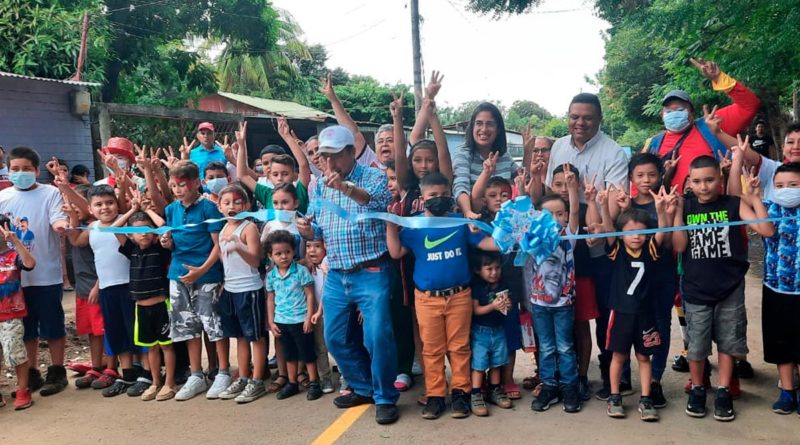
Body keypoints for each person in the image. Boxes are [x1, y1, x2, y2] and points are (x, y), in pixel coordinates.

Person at [297, 125, 399, 425]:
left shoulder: (374, 176)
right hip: (337, 274)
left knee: (378, 336)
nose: (328, 164)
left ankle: (384, 397)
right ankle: (364, 387)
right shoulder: (319, 185)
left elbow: (378, 203)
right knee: (334, 337)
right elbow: (319, 226)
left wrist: (345, 187)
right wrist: (308, 230)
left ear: (351, 152)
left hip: (371, 270)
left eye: (334, 156)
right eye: (324, 157)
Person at [386, 172, 499, 419]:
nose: (439, 199)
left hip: (459, 296)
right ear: (422, 197)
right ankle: (435, 396)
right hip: (427, 299)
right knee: (432, 349)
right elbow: (396, 253)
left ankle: (460, 393)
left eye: (444, 195)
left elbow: (488, 244)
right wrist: (390, 226)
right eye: (433, 195)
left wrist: (511, 234)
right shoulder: (414, 225)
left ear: (450, 197)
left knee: (459, 347)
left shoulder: (460, 221)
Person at [673, 155, 775, 422]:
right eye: (697, 181)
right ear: (689, 183)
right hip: (695, 289)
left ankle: (722, 391)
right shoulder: (685, 206)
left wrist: (753, 198)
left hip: (730, 288)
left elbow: (766, 230)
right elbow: (680, 247)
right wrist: (673, 213)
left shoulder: (733, 203)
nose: (704, 186)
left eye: (710, 180)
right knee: (696, 346)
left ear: (721, 179)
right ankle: (697, 388)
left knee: (728, 343)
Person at [545, 92, 630, 400]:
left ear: (599, 120)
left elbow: (615, 201)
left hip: (599, 243)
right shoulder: (558, 146)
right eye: (574, 117)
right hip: (565, 247)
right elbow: (550, 193)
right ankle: (570, 375)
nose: (579, 123)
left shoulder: (613, 152)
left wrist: (598, 226)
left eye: (587, 117)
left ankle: (614, 376)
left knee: (606, 312)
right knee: (569, 312)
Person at [596, 186, 679, 421]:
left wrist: (662, 210)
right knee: (618, 356)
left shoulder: (651, 249)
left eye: (641, 232)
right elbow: (609, 229)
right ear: (622, 234)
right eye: (630, 232)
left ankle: (646, 398)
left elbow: (662, 231)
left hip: (645, 314)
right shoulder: (617, 249)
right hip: (621, 313)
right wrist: (603, 205)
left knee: (644, 357)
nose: (635, 236)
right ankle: (614, 397)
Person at [0, 146, 70, 396]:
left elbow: (58, 220)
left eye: (26, 169)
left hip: (46, 274)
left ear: (37, 171)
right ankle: (32, 372)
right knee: (25, 329)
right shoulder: (2, 197)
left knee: (53, 325)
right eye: (15, 169)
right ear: (8, 170)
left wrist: (62, 226)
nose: (20, 173)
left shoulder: (50, 194)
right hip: (13, 279)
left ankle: (57, 371)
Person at [160, 160, 228, 401]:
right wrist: (167, 243)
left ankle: (222, 371)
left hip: (207, 275)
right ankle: (196, 374)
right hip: (178, 274)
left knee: (213, 324)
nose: (178, 190)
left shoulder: (209, 208)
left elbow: (218, 244)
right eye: (174, 185)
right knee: (186, 326)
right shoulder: (171, 210)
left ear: (196, 183)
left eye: (182, 185)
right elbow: (172, 240)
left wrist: (202, 270)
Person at [643, 59, 759, 192]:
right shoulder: (652, 144)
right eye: (669, 111)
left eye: (680, 109)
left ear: (691, 112)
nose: (674, 114)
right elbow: (638, 184)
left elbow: (750, 105)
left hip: (718, 209)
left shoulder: (711, 125)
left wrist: (719, 78)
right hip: (672, 209)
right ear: (662, 115)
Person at [66, 185, 138, 397]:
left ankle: (146, 372)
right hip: (107, 289)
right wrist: (72, 217)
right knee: (116, 331)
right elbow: (76, 241)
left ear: (117, 204)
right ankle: (127, 374)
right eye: (98, 204)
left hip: (131, 285)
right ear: (91, 208)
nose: (105, 208)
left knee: (134, 330)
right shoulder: (92, 228)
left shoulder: (126, 221)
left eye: (109, 202)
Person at [528, 163, 581, 414]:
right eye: (550, 215)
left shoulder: (568, 236)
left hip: (563, 305)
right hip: (539, 305)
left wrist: (571, 190)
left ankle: (570, 387)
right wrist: (527, 186)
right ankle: (548, 386)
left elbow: (574, 215)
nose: (557, 219)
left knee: (565, 347)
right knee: (546, 347)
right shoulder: (533, 238)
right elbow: (523, 216)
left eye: (560, 213)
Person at [111, 200, 176, 401]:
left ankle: (169, 383)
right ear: (131, 234)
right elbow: (113, 228)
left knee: (167, 346)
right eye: (138, 230)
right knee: (152, 348)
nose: (144, 233)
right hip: (141, 308)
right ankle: (155, 382)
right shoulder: (131, 249)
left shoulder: (161, 249)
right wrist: (132, 209)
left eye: (148, 229)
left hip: (161, 306)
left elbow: (164, 227)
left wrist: (147, 209)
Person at [214, 184, 269, 404]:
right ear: (219, 207)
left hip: (249, 289)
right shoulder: (221, 230)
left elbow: (256, 260)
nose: (232, 206)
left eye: (237, 202)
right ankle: (244, 376)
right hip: (230, 289)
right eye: (227, 202)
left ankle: (257, 380)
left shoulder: (249, 228)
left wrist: (239, 246)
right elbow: (223, 259)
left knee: (254, 336)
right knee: (239, 336)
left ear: (246, 205)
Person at [754, 162, 800, 415]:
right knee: (781, 344)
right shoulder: (769, 209)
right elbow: (745, 207)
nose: (786, 190)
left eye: (793, 185)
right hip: (776, 289)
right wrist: (753, 195)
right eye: (780, 186)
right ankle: (787, 391)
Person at [265, 230, 323, 401]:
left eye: (287, 252)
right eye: (278, 253)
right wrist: (271, 320)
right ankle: (292, 383)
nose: (284, 257)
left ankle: (314, 383)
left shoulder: (301, 271)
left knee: (307, 354)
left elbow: (310, 295)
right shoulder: (271, 276)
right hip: (281, 321)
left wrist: (308, 317)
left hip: (300, 320)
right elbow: (270, 299)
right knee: (289, 354)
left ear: (293, 252)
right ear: (271, 256)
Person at [452, 102, 518, 219]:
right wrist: (468, 212)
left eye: (490, 124)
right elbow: (460, 187)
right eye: (479, 124)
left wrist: (528, 153)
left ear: (498, 129)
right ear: (472, 127)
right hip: (474, 221)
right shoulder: (463, 154)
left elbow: (521, 180)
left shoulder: (504, 156)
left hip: (503, 223)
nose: (484, 129)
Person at [469, 251, 513, 417]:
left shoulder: (503, 284)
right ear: (478, 270)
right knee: (479, 364)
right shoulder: (477, 287)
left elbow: (506, 307)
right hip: (481, 332)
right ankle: (476, 393)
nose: (494, 272)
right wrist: (493, 306)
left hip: (499, 330)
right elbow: (475, 310)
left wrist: (506, 305)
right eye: (489, 269)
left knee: (497, 362)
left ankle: (495, 390)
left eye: (497, 268)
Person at [0, 215, 36, 410]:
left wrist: (15, 241)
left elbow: (30, 264)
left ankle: (23, 389)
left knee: (15, 352)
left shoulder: (13, 255)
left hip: (10, 314)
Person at [319, 73, 385, 169]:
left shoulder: (408, 166)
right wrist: (334, 100)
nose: (384, 144)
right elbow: (353, 133)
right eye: (380, 141)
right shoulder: (371, 161)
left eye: (390, 140)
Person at [305, 228, 335, 394]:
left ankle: (347, 376)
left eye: (317, 246)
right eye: (309, 246)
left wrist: (319, 311)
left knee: (336, 344)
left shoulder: (328, 266)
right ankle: (325, 378)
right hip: (315, 315)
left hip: (329, 312)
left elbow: (326, 291)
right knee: (320, 347)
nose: (312, 250)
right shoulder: (306, 268)